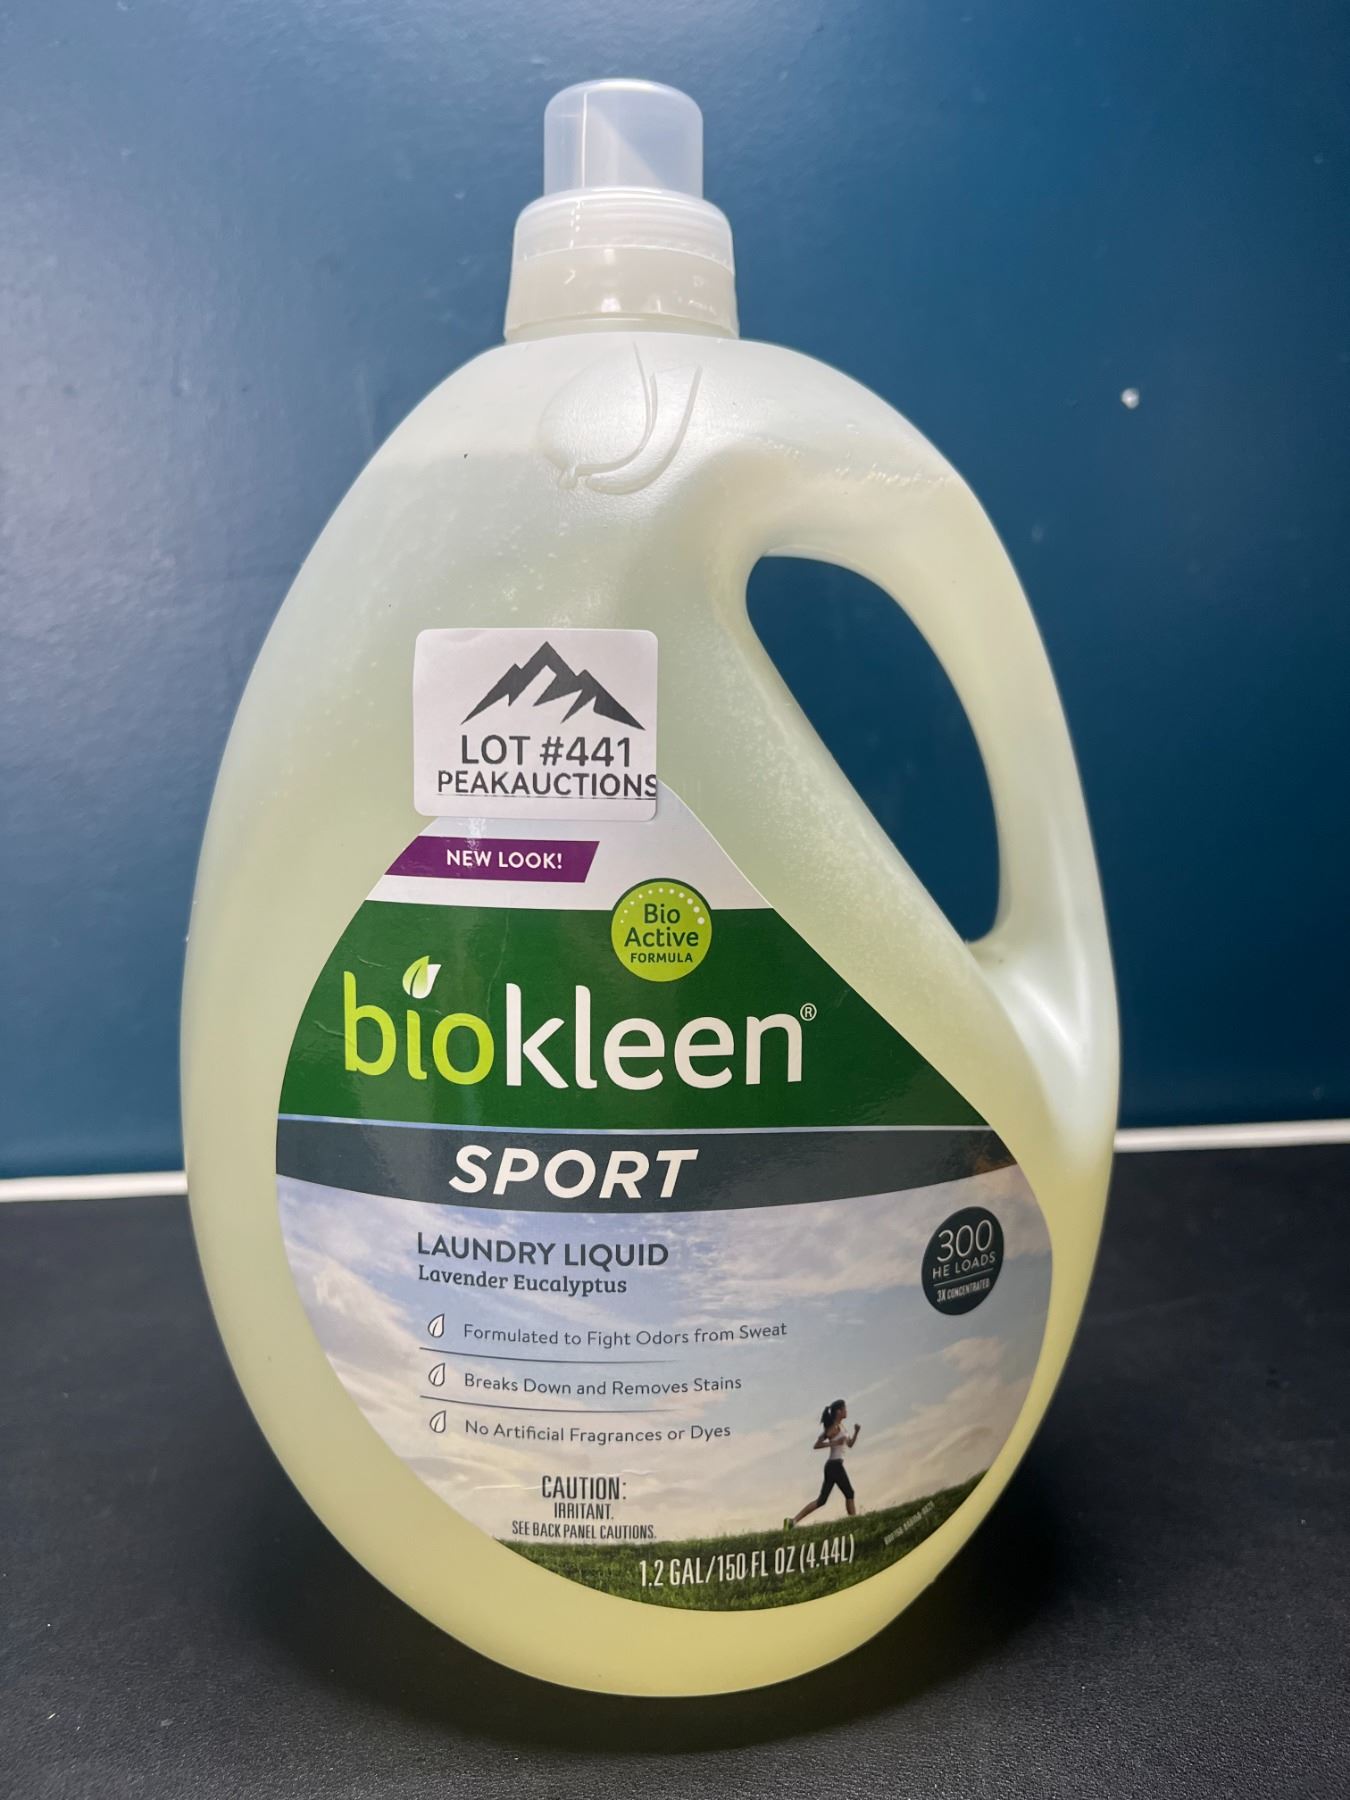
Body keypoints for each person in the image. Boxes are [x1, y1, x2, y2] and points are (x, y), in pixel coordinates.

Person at [785, 1398, 859, 1528]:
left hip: (833, 1466)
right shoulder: (833, 1428)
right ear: (839, 1411)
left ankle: (792, 1521)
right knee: (849, 1493)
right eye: (844, 1409)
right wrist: (834, 1443)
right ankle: (854, 1523)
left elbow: (850, 1444)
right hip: (834, 1465)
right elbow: (817, 1444)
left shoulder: (842, 1427)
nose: (846, 1411)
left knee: (822, 1500)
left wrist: (856, 1432)